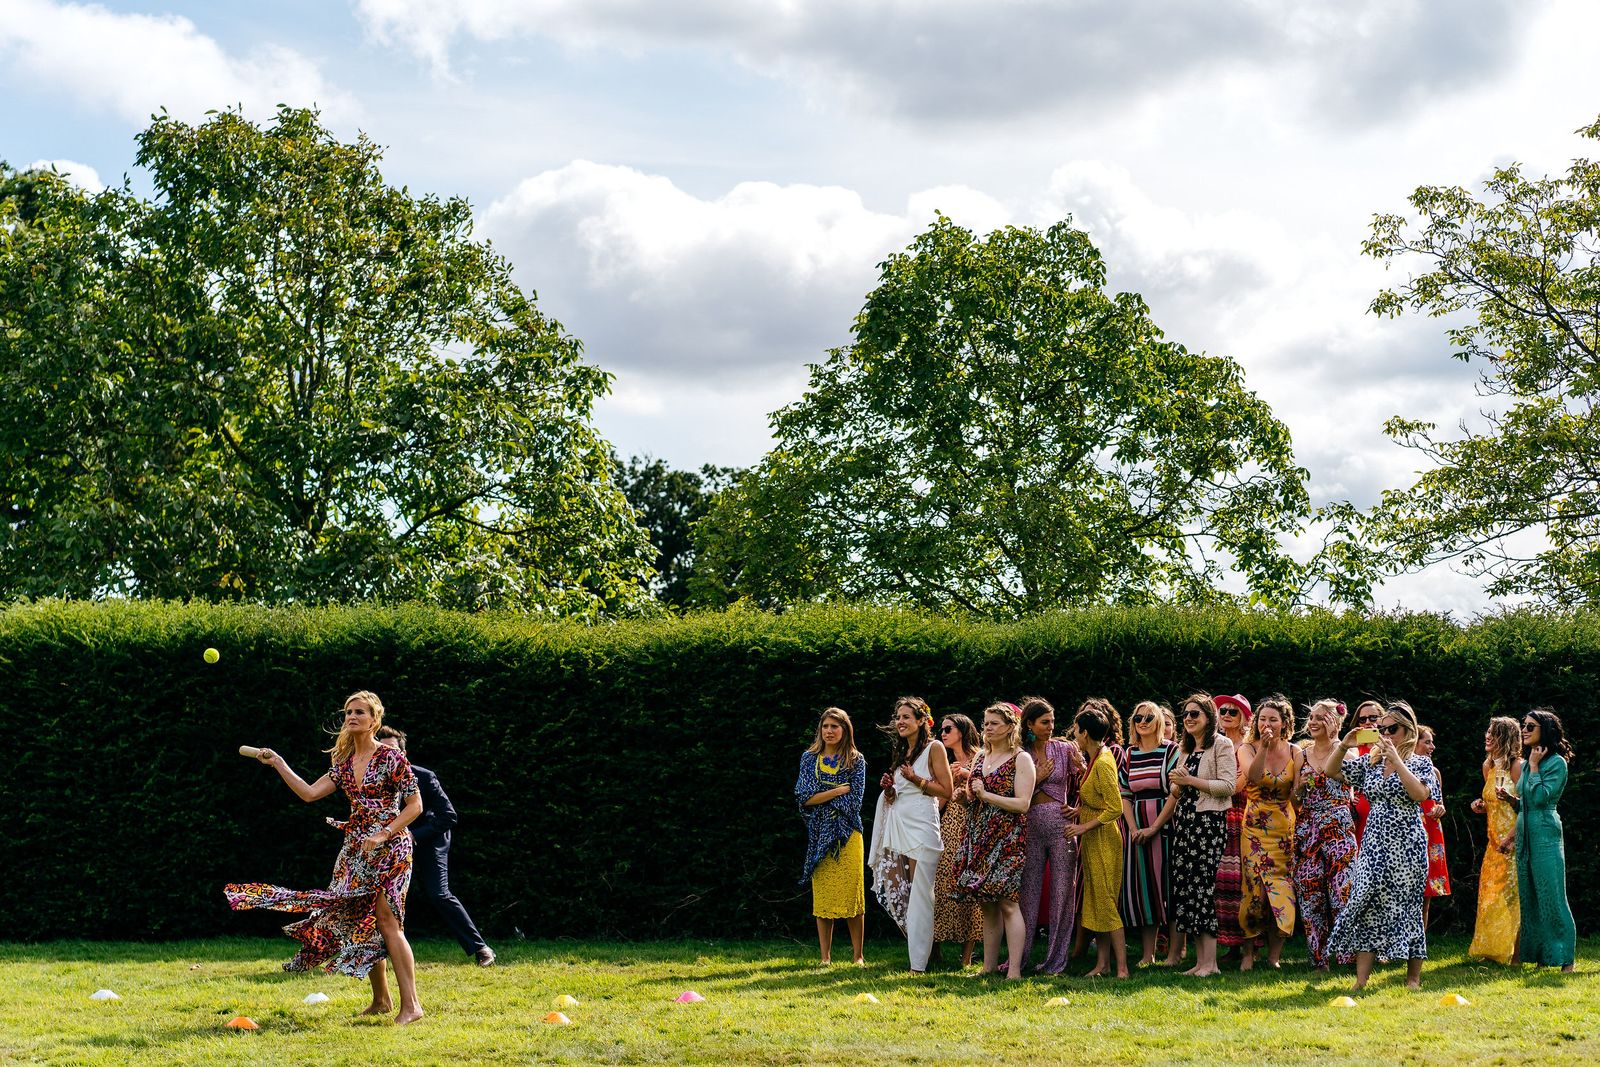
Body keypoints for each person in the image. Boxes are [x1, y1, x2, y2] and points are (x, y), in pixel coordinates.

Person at [225, 691, 425, 1024]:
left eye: (360, 712)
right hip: (357, 850)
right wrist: (278, 762)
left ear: (374, 720)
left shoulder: (391, 758)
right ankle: (381, 1000)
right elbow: (308, 793)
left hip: (392, 848)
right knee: (358, 919)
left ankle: (412, 1005)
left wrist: (383, 833)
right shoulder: (344, 765)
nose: (352, 717)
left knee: (388, 922)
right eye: (348, 712)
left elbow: (415, 806)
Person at [1324, 700, 1437, 991]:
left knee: (1409, 905)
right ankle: (1361, 981)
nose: (1385, 734)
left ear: (1408, 730)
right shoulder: (1370, 762)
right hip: (1373, 844)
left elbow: (1420, 794)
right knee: (1364, 902)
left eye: (1392, 729)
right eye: (1381, 729)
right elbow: (1331, 770)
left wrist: (1398, 762)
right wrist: (1343, 744)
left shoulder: (1421, 763)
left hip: (1407, 845)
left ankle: (1413, 978)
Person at [374, 727, 495, 967]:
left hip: (428, 841)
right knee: (380, 898)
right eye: (383, 750)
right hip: (390, 845)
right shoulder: (373, 780)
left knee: (439, 894)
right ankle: (377, 955)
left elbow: (448, 816)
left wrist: (414, 836)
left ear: (404, 753)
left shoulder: (424, 777)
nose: (388, 755)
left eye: (393, 750)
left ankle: (481, 948)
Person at [952, 702, 1035, 979]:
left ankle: (1013, 970)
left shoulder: (1021, 759)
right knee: (987, 903)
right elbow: (973, 797)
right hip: (978, 835)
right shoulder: (979, 758)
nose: (987, 727)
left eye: (994, 723)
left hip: (1008, 837)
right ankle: (988, 967)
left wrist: (986, 795)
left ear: (1011, 727)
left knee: (1008, 902)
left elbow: (1023, 804)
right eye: (985, 722)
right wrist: (964, 798)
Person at [868, 697, 951, 973]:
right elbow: (898, 795)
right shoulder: (901, 751)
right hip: (899, 825)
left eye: (906, 717)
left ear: (921, 721)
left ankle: (918, 965)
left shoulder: (934, 748)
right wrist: (890, 789)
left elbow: (947, 790)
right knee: (901, 892)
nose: (900, 722)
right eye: (898, 717)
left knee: (920, 894)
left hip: (923, 827)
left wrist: (917, 780)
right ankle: (928, 951)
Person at [1161, 693, 1237, 978]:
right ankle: (1199, 962)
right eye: (1187, 715)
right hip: (1186, 823)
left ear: (1209, 717)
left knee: (1204, 890)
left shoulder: (1221, 744)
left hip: (1208, 823)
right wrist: (1176, 786)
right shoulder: (1186, 748)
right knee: (1188, 891)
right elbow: (1179, 790)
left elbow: (1227, 785)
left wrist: (1189, 780)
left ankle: (1211, 964)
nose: (1190, 719)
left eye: (1196, 714)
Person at [1501, 709, 1577, 971]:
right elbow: (1527, 801)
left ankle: (1566, 959)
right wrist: (1511, 800)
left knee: (1551, 896)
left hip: (1545, 833)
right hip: (1525, 835)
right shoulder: (1524, 763)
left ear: (1545, 730)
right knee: (1531, 897)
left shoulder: (1556, 762)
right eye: (1524, 725)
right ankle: (1543, 957)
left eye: (1530, 726)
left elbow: (1544, 797)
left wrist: (1533, 766)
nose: (1524, 730)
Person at [1017, 697, 1085, 974]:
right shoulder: (1020, 753)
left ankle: (1055, 961)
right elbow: (1013, 792)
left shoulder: (1065, 748)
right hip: (1030, 825)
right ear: (1030, 724)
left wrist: (1079, 808)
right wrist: (1039, 778)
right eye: (1044, 722)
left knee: (1062, 893)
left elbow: (1089, 784)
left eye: (1052, 722)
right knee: (1027, 894)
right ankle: (1018, 959)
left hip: (1061, 825)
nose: (1050, 727)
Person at [795, 707, 867, 966]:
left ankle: (857, 956)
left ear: (845, 729)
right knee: (823, 896)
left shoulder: (856, 760)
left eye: (835, 727)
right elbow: (803, 798)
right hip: (818, 834)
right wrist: (837, 790)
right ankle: (825, 957)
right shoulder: (809, 758)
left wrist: (821, 795)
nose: (829, 731)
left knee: (852, 895)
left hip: (848, 835)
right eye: (825, 726)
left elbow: (854, 802)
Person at [1238, 694, 1303, 971]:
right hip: (1254, 828)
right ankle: (1248, 954)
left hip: (1284, 829)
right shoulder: (1247, 748)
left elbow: (1297, 795)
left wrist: (1305, 786)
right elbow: (1252, 778)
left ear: (1284, 723)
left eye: (1273, 719)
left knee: (1283, 891)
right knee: (1254, 892)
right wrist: (1263, 747)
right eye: (1263, 718)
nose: (1267, 723)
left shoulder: (1295, 752)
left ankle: (1274, 956)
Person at [1292, 699, 1357, 970]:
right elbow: (1294, 798)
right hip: (1307, 830)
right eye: (1312, 717)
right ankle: (1318, 960)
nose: (1314, 722)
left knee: (1342, 892)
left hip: (1339, 829)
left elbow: (1353, 791)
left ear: (1336, 722)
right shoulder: (1302, 755)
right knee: (1309, 894)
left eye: (1322, 717)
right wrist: (1302, 790)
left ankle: (1346, 957)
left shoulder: (1348, 754)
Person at [1118, 700, 1179, 967]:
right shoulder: (1128, 754)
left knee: (1170, 887)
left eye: (1148, 717)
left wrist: (1155, 828)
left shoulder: (1171, 751)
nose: (1142, 722)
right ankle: (1148, 954)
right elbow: (1124, 795)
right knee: (1143, 889)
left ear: (1158, 722)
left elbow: (1175, 793)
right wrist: (1133, 828)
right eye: (1137, 718)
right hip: (1136, 827)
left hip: (1166, 826)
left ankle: (1175, 954)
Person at [1069, 702, 1128, 979]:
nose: (1073, 734)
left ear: (1084, 733)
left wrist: (1084, 827)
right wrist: (1079, 811)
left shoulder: (1104, 761)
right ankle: (1102, 964)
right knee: (1094, 902)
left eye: (1075, 729)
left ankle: (1123, 969)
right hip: (1094, 837)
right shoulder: (1095, 757)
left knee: (1105, 901)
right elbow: (1100, 801)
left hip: (1104, 838)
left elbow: (1115, 807)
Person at [1467, 716, 1521, 965]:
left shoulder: (1517, 767)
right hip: (1493, 843)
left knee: (1513, 897)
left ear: (1507, 738)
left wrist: (1511, 838)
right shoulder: (1487, 767)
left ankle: (1517, 955)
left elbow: (1527, 807)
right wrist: (1481, 806)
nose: (1487, 736)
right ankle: (1492, 949)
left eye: (1494, 733)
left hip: (1514, 840)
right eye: (1487, 731)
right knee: (1491, 895)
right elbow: (1493, 804)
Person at [932, 713, 984, 966]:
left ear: (961, 731)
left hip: (974, 825)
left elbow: (990, 788)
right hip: (950, 826)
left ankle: (966, 957)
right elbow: (941, 801)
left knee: (970, 886)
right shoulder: (945, 762)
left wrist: (966, 773)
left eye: (948, 729)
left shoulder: (981, 757)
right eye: (941, 729)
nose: (942, 733)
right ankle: (935, 948)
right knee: (941, 882)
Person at [1211, 693, 1252, 960]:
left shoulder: (1247, 748)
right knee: (1221, 881)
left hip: (1241, 815)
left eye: (1232, 712)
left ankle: (1246, 943)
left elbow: (1236, 785)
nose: (1225, 715)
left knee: (1241, 880)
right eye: (1222, 711)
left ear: (1245, 719)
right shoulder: (1214, 744)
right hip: (1218, 815)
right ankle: (1229, 943)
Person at [1414, 725, 1450, 925]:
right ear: (1414, 742)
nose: (1432, 746)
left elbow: (1439, 803)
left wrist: (1440, 809)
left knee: (1426, 896)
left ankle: (1419, 948)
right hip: (1410, 831)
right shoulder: (1401, 769)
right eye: (1427, 741)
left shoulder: (1434, 772)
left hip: (1431, 832)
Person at [1343, 701, 1384, 842]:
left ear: (1382, 719)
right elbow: (1341, 774)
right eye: (1362, 719)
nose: (1368, 722)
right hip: (1359, 814)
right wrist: (1350, 792)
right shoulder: (1353, 750)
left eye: (1373, 718)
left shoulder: (1390, 748)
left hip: (1384, 812)